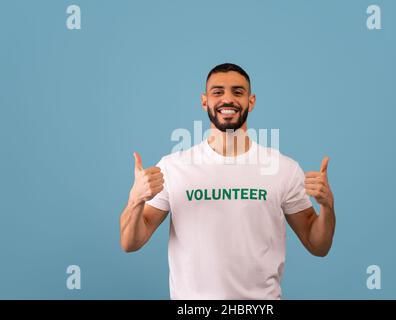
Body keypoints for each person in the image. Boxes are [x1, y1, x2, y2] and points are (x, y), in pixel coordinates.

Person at [119, 63, 335, 299]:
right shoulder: (172, 167)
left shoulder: (283, 169)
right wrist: (136, 201)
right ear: (205, 101)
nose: (228, 99)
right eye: (218, 92)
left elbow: (318, 246)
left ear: (251, 102)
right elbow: (131, 243)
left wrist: (327, 206)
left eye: (238, 92)